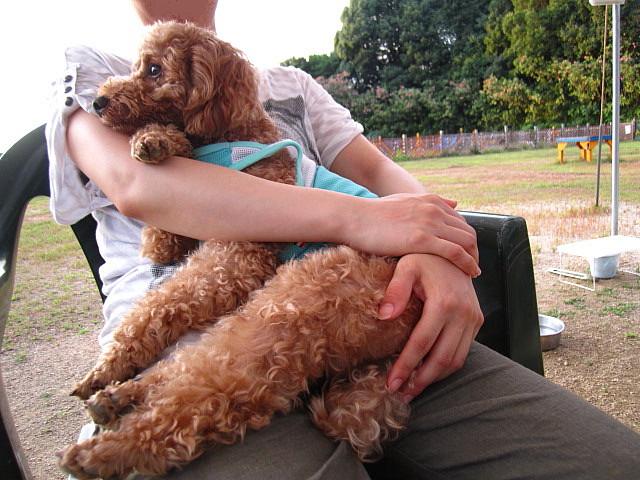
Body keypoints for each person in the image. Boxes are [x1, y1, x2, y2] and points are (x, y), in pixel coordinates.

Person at [46, 1, 640, 478]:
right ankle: (151, 408)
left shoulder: (292, 87)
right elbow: (138, 186)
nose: (140, 82)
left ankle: (362, 398)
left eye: (156, 74)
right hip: (188, 344)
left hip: (362, 311)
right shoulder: (92, 66)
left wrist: (437, 247)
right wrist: (360, 220)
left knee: (611, 463)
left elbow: (379, 173)